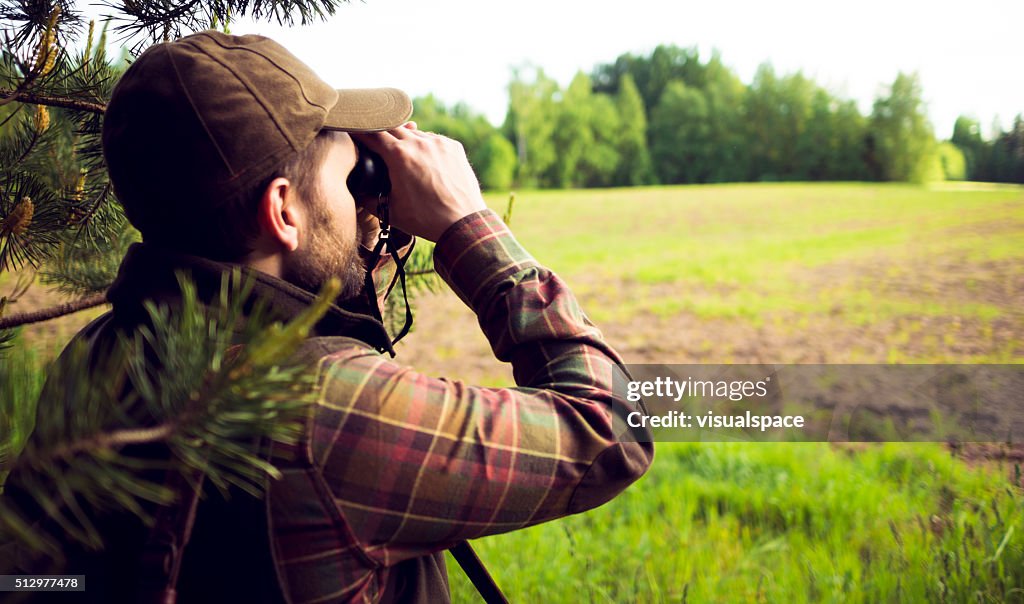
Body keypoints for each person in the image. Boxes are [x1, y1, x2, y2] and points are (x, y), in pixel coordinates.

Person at [2, 31, 653, 603]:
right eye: (350, 178)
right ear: (283, 212)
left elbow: (30, 578)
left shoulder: (93, 358)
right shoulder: (326, 408)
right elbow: (612, 429)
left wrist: (345, 254)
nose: (366, 197)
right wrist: (466, 224)